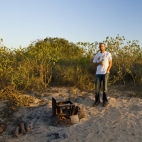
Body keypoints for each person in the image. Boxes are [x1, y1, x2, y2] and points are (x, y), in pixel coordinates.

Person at [93, 42, 112, 107]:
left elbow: (110, 63)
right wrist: (99, 63)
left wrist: (108, 70)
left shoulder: (108, 54)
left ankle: (105, 101)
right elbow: (94, 63)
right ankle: (97, 100)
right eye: (100, 46)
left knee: (105, 88)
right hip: (98, 73)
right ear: (99, 47)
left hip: (105, 73)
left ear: (105, 47)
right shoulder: (97, 55)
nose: (101, 47)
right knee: (97, 88)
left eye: (102, 46)